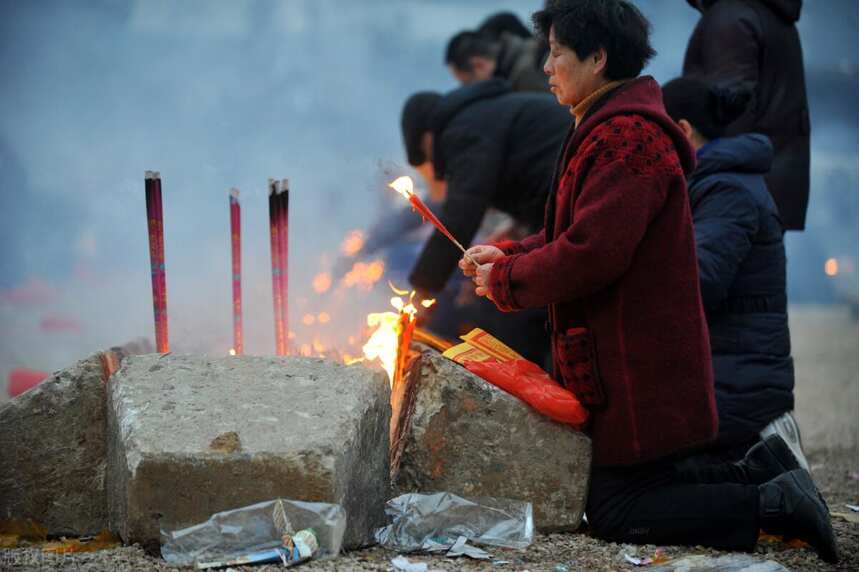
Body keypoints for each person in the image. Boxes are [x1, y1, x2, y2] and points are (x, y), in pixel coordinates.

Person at [459, 0, 837, 562]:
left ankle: (769, 501)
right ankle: (762, 469)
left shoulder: (629, 137)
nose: (546, 66)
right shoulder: (602, 123)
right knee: (641, 485)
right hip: (626, 359)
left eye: (557, 53)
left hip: (639, 363)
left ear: (598, 56)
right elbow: (572, 230)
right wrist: (509, 253)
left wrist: (509, 279)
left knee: (616, 509)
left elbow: (593, 253)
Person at [662, 76, 808, 469]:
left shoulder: (725, 189)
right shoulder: (715, 183)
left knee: (633, 487)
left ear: (681, 131)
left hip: (737, 392)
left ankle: (771, 480)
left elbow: (700, 279)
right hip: (727, 378)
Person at [400, 81, 570, 364]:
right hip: (562, 203)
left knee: (516, 316)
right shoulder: (485, 113)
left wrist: (423, 290)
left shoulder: (464, 128)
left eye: (424, 155)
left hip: (571, 201)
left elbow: (460, 215)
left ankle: (529, 399)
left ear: (427, 135)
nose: (433, 164)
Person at [683, 0, 810, 231]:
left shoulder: (732, 16)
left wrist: (701, 186)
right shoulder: (762, 13)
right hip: (762, 189)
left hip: (733, 197)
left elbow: (729, 115)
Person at [445, 30, 548, 92]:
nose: (468, 89)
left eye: (467, 83)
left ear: (479, 65)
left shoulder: (524, 78)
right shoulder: (526, 49)